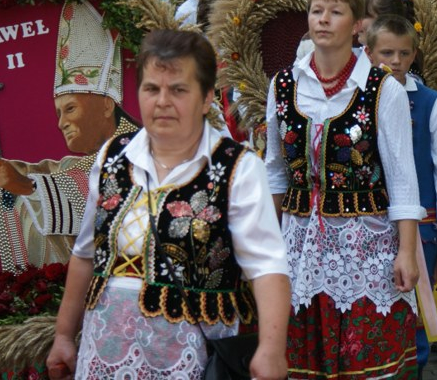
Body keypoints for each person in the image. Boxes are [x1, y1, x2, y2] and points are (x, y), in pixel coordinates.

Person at [46, 30, 290, 379]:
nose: (162, 101)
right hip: (105, 350)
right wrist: (64, 335)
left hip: (189, 357)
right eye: (151, 89)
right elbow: (86, 254)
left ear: (206, 98)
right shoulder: (113, 156)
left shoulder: (237, 167)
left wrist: (271, 349)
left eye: (178, 90)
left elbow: (266, 267)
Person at [265, 0, 424, 378]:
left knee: (363, 358)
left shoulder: (381, 88)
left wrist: (406, 251)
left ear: (357, 25)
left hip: (364, 245)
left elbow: (403, 178)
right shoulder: (283, 85)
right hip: (300, 243)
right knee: (304, 361)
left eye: (335, 12)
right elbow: (275, 173)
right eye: (316, 11)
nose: (323, 19)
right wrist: (266, 245)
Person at [0, 1, 139, 271]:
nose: (61, 123)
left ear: (107, 105)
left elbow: (102, 201)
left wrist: (27, 187)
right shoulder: (72, 168)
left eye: (70, 109)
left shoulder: (143, 150)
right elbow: (2, 188)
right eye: (59, 113)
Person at [364, 13, 437, 374]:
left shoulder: (431, 104)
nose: (395, 61)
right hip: (366, 229)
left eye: (404, 53)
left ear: (415, 55)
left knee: (415, 324)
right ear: (368, 53)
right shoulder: (356, 102)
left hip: (421, 233)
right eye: (386, 53)